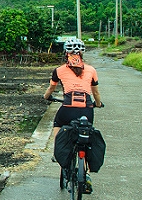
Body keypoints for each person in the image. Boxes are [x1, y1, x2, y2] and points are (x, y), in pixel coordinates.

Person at [43, 37, 103, 192]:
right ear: (82, 54)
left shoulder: (59, 70)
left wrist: (46, 97)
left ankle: (58, 151)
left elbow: (51, 89)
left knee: (58, 124)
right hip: (87, 110)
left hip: (67, 109)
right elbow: (95, 92)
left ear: (65, 53)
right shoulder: (91, 70)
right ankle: (86, 174)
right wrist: (98, 104)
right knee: (86, 137)